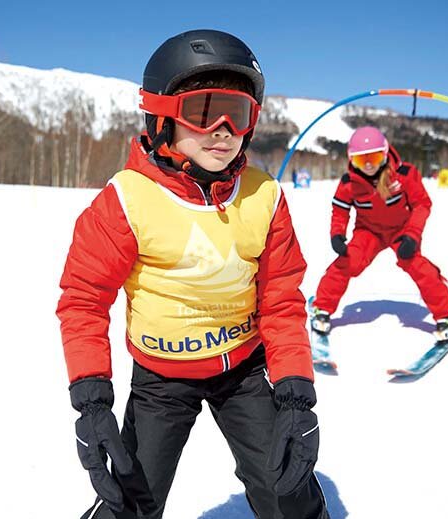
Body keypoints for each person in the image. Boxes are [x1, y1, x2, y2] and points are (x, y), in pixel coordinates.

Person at [57, 30, 327, 519]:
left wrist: (295, 394)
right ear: (161, 116)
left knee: (288, 492)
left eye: (238, 113)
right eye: (204, 112)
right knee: (129, 503)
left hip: (242, 372)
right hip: (161, 380)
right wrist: (91, 398)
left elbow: (282, 300)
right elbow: (83, 298)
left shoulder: (263, 198)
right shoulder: (127, 201)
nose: (223, 130)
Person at [310, 126, 448, 341]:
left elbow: (422, 205)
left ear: (385, 153)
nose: (369, 165)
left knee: (417, 265)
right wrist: (337, 234)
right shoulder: (349, 183)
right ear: (351, 160)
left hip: (402, 231)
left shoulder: (404, 175)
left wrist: (412, 235)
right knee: (348, 262)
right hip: (369, 232)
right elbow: (340, 210)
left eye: (373, 157)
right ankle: (321, 308)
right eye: (362, 161)